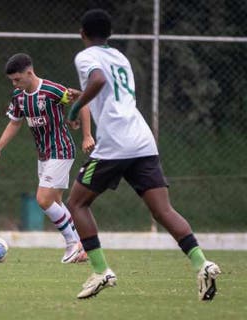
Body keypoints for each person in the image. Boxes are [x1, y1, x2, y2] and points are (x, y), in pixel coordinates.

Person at [66, 9, 221, 300]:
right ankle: (202, 264)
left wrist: (75, 109)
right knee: (164, 211)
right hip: (142, 140)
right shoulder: (121, 57)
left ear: (82, 33)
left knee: (77, 203)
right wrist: (85, 96)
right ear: (109, 34)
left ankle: (101, 271)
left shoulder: (85, 56)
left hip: (114, 143)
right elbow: (108, 89)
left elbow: (98, 81)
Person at [0, 53, 94, 263]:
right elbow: (15, 122)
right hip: (44, 154)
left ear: (29, 73)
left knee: (43, 199)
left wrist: (87, 135)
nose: (15, 84)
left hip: (61, 149)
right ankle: (83, 246)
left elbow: (83, 101)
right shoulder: (19, 97)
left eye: (17, 79)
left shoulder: (52, 90)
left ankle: (72, 244)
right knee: (55, 202)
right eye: (12, 81)